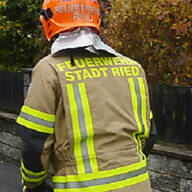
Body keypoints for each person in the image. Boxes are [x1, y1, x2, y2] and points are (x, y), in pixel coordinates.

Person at [17, 1, 157, 191]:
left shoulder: (49, 70)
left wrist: (33, 183)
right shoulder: (133, 68)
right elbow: (149, 135)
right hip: (138, 184)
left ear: (48, 22)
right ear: (96, 20)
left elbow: (34, 140)